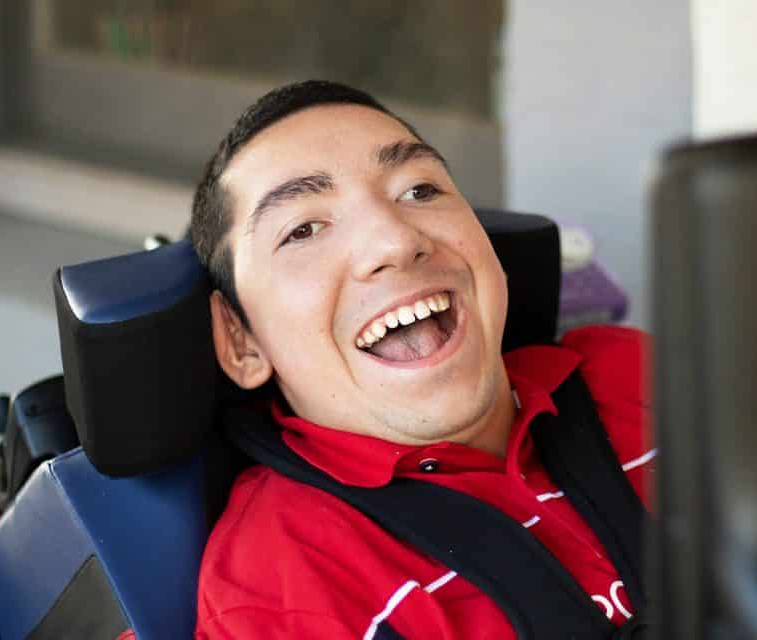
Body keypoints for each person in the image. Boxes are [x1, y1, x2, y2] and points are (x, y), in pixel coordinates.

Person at [189, 80, 653, 639]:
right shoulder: (280, 586)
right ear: (242, 341)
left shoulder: (644, 374)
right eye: (304, 229)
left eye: (419, 190)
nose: (393, 241)